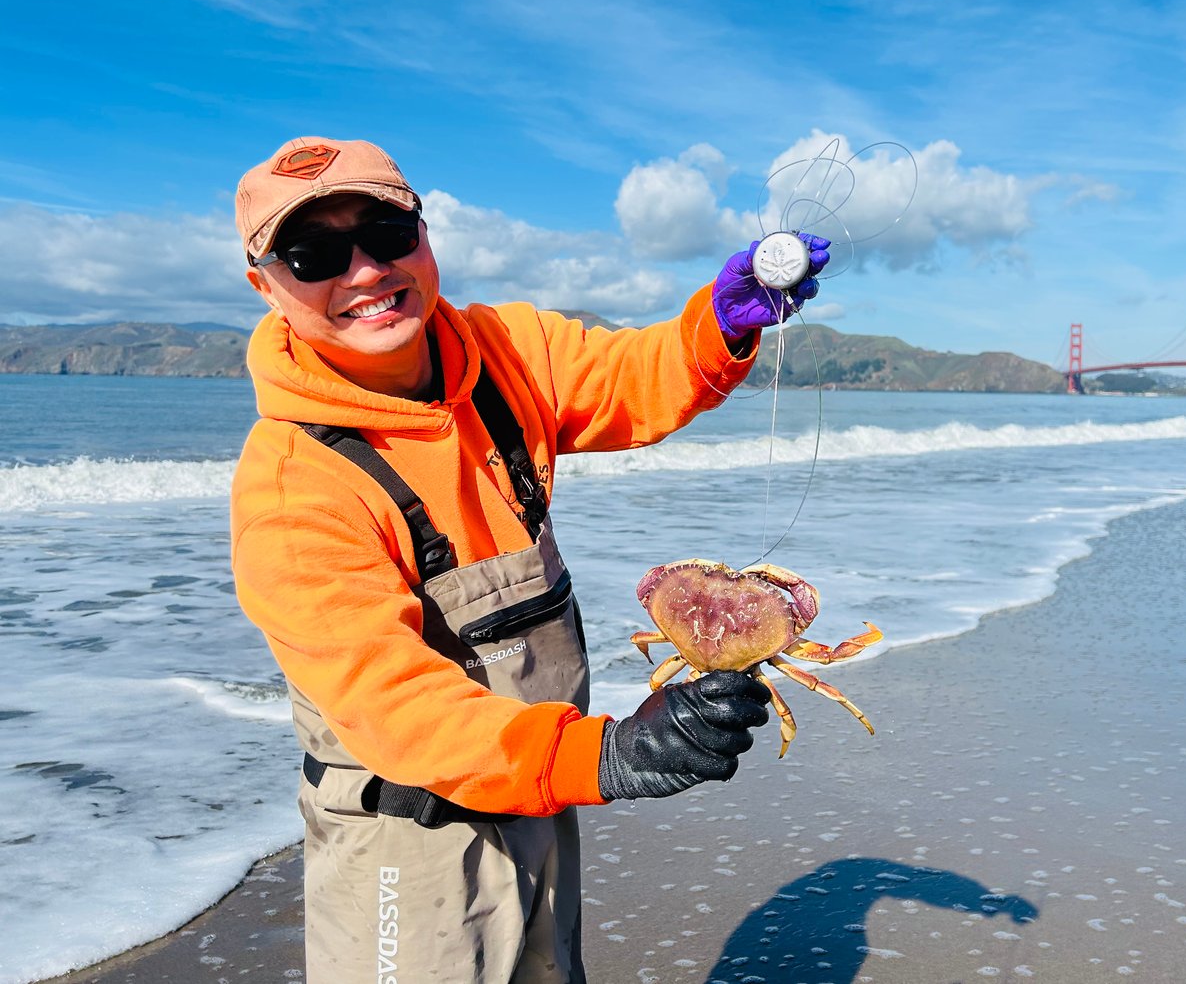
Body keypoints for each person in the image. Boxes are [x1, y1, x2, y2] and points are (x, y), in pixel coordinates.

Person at [229, 137, 829, 983]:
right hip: (409, 839)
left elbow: (631, 375)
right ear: (265, 285)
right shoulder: (292, 492)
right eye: (314, 252)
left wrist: (720, 323)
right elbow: (398, 709)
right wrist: (606, 756)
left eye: (387, 231)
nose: (365, 270)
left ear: (424, 233)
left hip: (537, 803)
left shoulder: (506, 353)